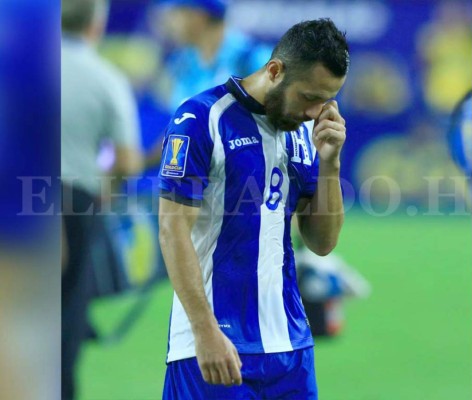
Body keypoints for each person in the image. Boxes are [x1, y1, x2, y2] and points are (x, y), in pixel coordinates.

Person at [158, 18, 349, 399]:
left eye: (325, 100)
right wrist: (204, 331)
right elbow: (172, 229)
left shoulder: (304, 135)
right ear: (275, 70)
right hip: (214, 348)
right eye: (309, 96)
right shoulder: (201, 119)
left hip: (291, 348)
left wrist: (330, 163)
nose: (315, 112)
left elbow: (322, 242)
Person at [61, 0, 143, 398]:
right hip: (74, 203)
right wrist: (107, 189)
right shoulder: (106, 78)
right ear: (96, 25)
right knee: (63, 320)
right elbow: (126, 159)